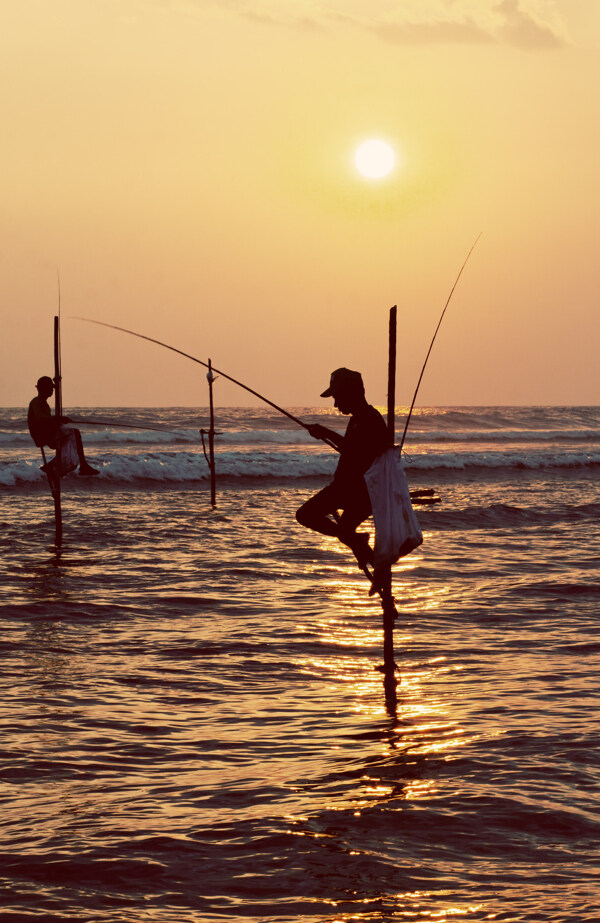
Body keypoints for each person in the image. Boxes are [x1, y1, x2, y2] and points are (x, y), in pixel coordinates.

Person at [296, 367, 391, 567]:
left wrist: (326, 432)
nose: (336, 403)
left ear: (351, 393)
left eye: (338, 396)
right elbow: (353, 451)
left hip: (355, 491)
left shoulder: (369, 419)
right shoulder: (357, 419)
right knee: (347, 534)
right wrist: (325, 434)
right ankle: (379, 574)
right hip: (350, 489)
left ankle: (357, 541)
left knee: (305, 515)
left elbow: (359, 452)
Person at [28, 376, 99, 476]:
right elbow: (40, 418)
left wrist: (58, 421)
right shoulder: (37, 401)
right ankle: (83, 465)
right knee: (75, 433)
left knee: (69, 441)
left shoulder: (43, 402)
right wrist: (58, 418)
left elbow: (47, 421)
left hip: (46, 432)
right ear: (43, 389)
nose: (52, 390)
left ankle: (50, 465)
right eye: (50, 388)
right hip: (42, 435)